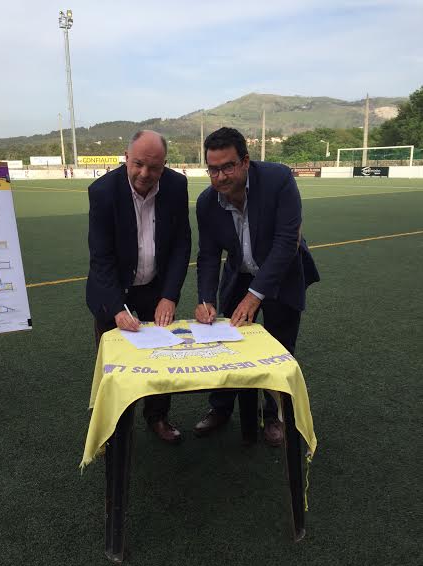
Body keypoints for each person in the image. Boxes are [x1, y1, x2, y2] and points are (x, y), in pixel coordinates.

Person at [194, 127, 319, 445]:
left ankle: (274, 415)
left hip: (282, 272)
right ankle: (221, 407)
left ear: (245, 161)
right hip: (239, 275)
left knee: (279, 348)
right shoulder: (207, 202)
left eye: (227, 166)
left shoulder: (278, 180)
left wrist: (255, 296)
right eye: (213, 169)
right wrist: (206, 298)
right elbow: (208, 255)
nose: (220, 177)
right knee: (226, 343)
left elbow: (286, 242)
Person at [86, 130, 191, 443]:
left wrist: (169, 296)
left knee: (160, 358)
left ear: (164, 165)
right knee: (115, 366)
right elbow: (101, 258)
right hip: (114, 292)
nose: (145, 173)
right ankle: (114, 425)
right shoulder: (103, 192)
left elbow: (181, 245)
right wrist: (117, 309)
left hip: (155, 290)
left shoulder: (176, 186)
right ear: (126, 158)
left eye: (154, 167)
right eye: (138, 164)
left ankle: (157, 417)